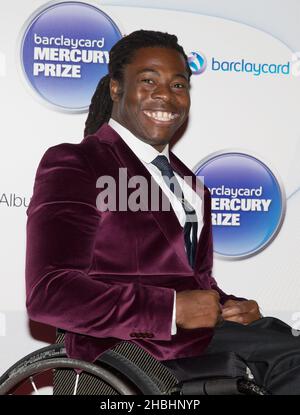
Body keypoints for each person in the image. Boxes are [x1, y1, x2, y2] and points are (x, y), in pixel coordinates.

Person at [26, 30, 300, 395]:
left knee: (285, 339)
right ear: (115, 89)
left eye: (178, 84)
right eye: (148, 80)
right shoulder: (77, 163)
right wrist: (169, 310)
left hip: (198, 345)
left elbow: (190, 282)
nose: (165, 95)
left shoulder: (190, 185)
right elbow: (50, 292)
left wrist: (229, 305)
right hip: (131, 354)